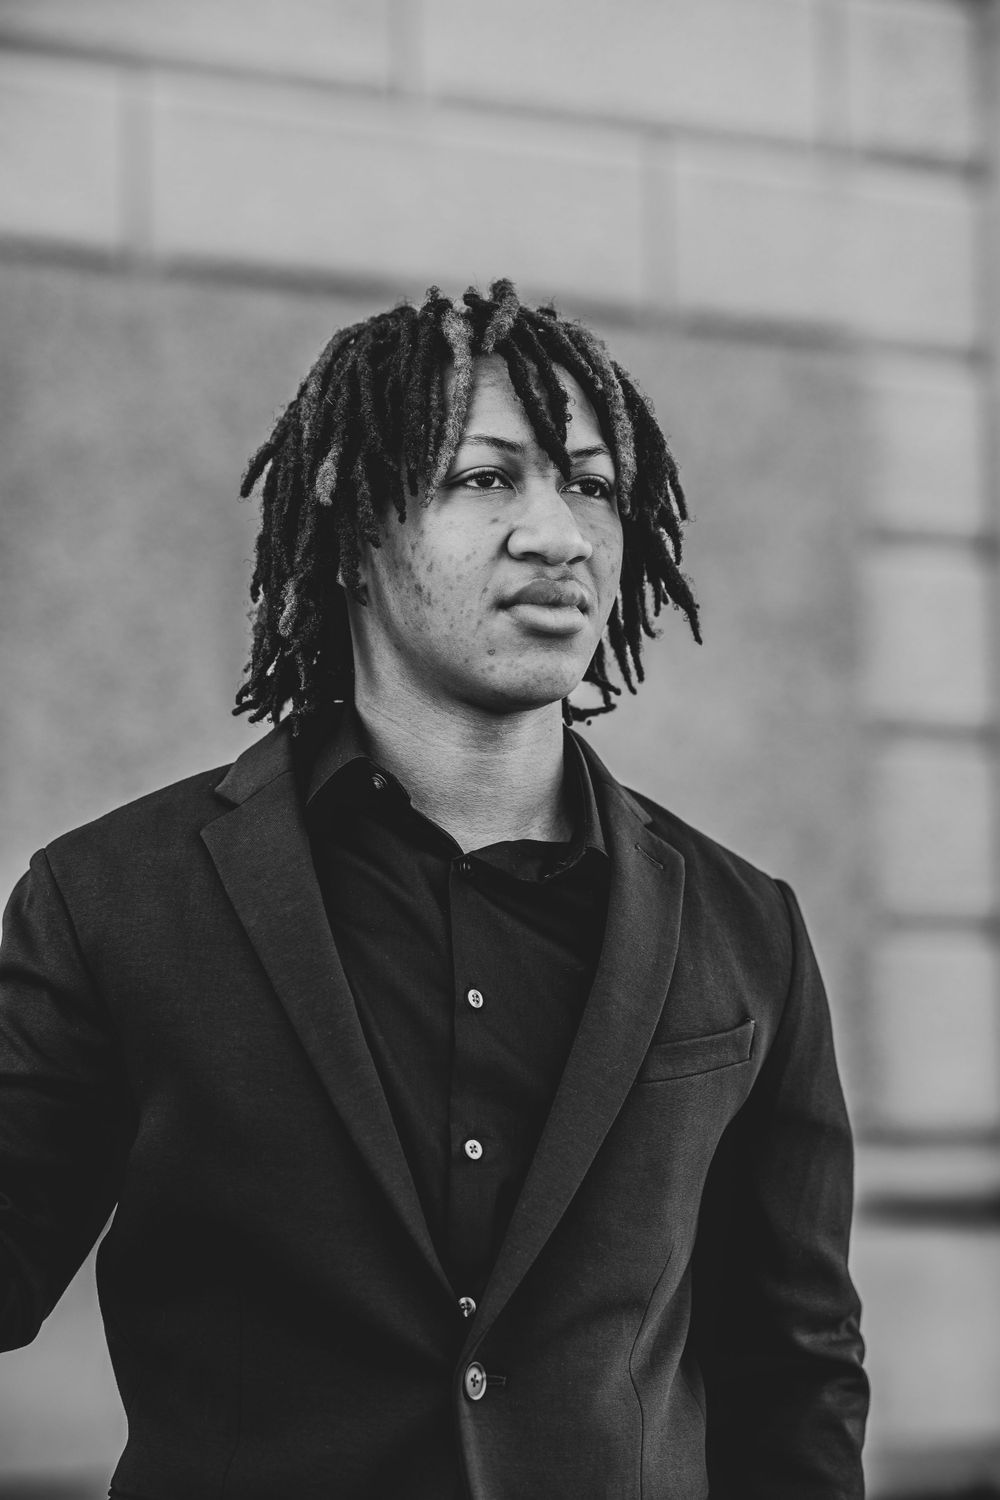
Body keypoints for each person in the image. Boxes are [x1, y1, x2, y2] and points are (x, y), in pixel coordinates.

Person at [0, 280, 868, 1498]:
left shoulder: (745, 927)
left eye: (593, 487)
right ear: (351, 524)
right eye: (487, 476)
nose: (559, 534)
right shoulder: (112, 900)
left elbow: (795, 1371)